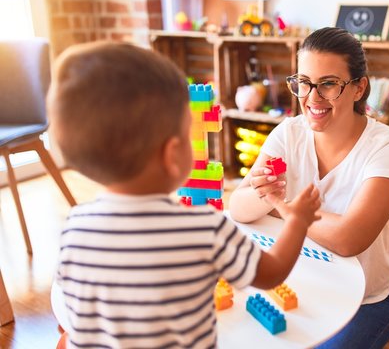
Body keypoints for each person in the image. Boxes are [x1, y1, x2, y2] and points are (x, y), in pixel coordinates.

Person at [47, 41, 321, 348]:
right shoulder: (203, 228)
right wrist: (297, 220)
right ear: (173, 153)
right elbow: (271, 273)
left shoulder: (74, 229)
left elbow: (78, 320)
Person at [229, 27, 389, 349]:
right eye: (303, 82)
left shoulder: (388, 147)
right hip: (306, 278)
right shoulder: (289, 133)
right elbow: (238, 208)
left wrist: (283, 205)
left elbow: (348, 238)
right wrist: (266, 198)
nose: (312, 97)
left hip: (372, 297)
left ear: (359, 88)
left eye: (328, 84)